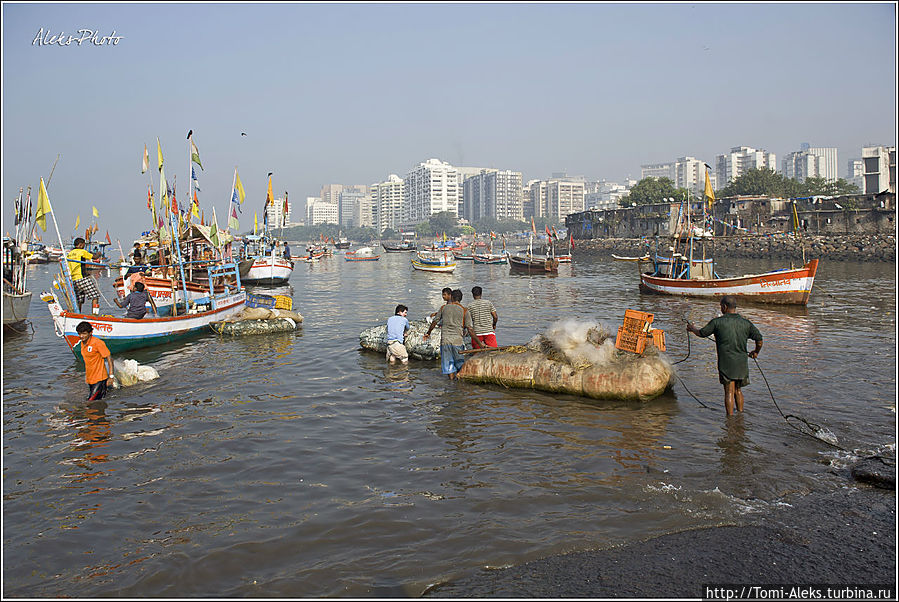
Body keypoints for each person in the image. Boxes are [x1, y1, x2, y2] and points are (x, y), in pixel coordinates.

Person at [687, 295, 763, 416]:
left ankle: (730, 420)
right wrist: (756, 352)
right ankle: (740, 416)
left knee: (729, 391)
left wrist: (692, 328)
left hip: (726, 364)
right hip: (741, 363)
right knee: (738, 390)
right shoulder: (746, 323)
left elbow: (702, 333)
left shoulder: (717, 322)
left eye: (721, 306)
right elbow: (759, 339)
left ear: (724, 307)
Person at [424, 289, 475, 380]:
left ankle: (451, 385)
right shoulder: (464, 311)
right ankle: (459, 385)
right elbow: (470, 329)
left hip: (445, 341)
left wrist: (428, 333)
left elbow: (435, 321)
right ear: (461, 299)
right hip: (457, 342)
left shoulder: (443, 308)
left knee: (448, 366)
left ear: (451, 297)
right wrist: (479, 343)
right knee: (459, 364)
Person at [76, 321, 114, 401]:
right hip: (90, 379)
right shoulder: (82, 343)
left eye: (84, 334)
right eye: (79, 334)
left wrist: (111, 377)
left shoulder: (97, 343)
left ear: (91, 332)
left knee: (90, 402)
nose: (81, 336)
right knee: (96, 402)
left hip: (99, 379)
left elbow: (109, 358)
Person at [67, 237, 101, 313]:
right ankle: (94, 314)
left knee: (79, 299)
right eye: (84, 245)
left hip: (74, 280)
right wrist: (99, 253)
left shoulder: (69, 254)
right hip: (81, 278)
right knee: (95, 296)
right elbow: (94, 257)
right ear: (81, 245)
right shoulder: (81, 251)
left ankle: (78, 314)